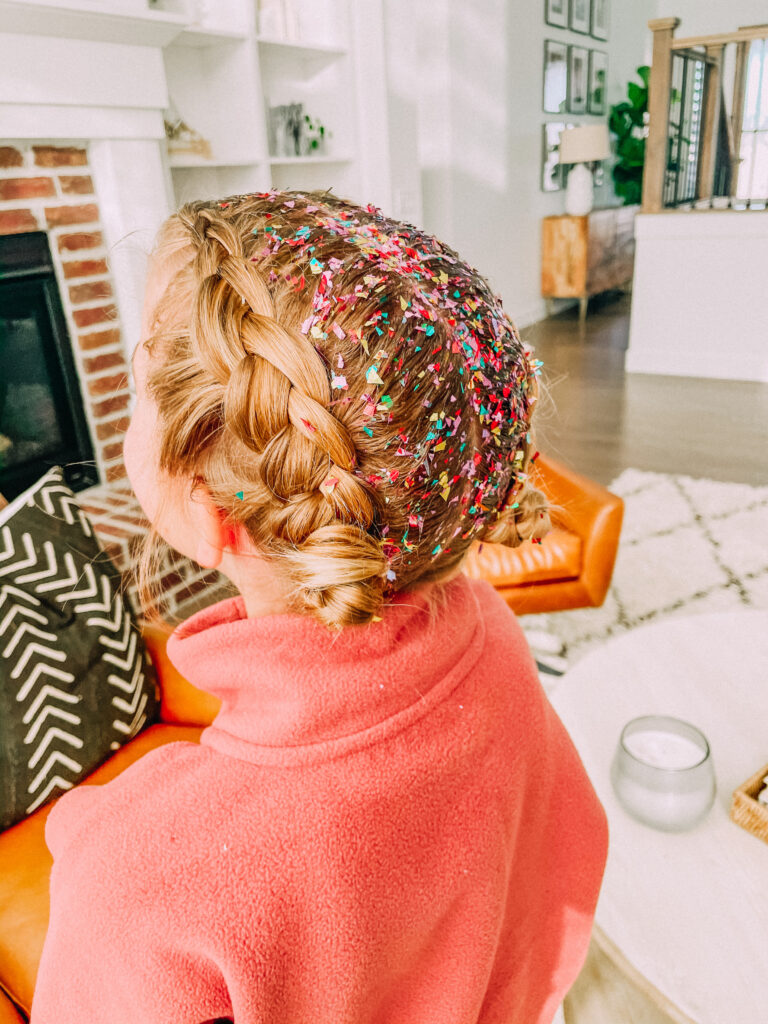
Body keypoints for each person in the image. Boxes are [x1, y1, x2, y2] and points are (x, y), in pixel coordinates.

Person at [30, 188, 608, 1024]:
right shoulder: (488, 632)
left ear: (209, 508)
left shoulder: (141, 889)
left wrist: (105, 843)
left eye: (140, 365)